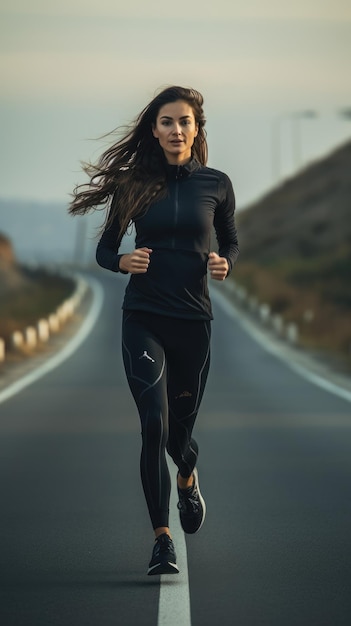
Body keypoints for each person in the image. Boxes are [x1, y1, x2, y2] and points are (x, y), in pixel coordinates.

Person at [69, 85, 239, 575]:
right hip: (143, 317)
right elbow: (104, 249)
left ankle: (187, 473)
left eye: (184, 121)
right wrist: (123, 260)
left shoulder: (217, 184)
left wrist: (225, 262)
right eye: (167, 121)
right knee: (153, 422)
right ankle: (161, 539)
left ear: (196, 129)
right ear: (154, 129)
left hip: (193, 324)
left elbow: (230, 240)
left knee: (178, 438)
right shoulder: (134, 185)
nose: (176, 130)